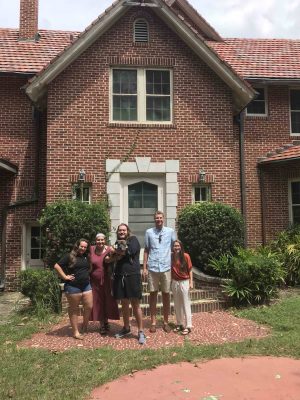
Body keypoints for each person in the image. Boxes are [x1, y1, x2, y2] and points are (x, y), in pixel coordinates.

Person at [109, 223, 146, 345]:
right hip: (120, 276)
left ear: (128, 231)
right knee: (124, 304)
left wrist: (114, 251)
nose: (122, 232)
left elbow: (125, 252)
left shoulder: (133, 240)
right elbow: (113, 257)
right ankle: (126, 328)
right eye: (120, 230)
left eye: (124, 230)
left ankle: (141, 331)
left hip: (132, 276)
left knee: (135, 304)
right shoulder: (117, 242)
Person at [143, 211, 176, 333]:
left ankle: (166, 322)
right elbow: (146, 250)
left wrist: (176, 265)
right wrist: (145, 268)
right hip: (153, 268)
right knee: (153, 294)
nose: (159, 220)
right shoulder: (149, 232)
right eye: (157, 218)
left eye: (160, 218)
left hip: (166, 267)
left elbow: (175, 248)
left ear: (164, 219)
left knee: (166, 294)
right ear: (154, 219)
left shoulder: (170, 232)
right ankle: (153, 322)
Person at [54, 239, 92, 340]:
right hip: (73, 286)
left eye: (85, 247)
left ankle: (84, 325)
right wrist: (65, 277)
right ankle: (75, 332)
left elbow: (89, 268)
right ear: (77, 246)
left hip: (86, 285)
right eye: (81, 246)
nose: (83, 248)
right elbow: (56, 266)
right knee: (74, 309)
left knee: (89, 306)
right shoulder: (69, 256)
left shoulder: (86, 257)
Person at [89, 233, 120, 335]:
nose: (100, 242)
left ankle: (106, 322)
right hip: (95, 281)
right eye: (98, 240)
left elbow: (119, 256)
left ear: (105, 240)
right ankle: (102, 324)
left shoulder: (109, 249)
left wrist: (113, 253)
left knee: (108, 301)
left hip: (108, 280)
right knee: (98, 302)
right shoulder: (91, 249)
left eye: (102, 240)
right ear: (95, 240)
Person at [171, 240, 193, 335]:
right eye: (175, 246)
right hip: (175, 282)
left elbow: (190, 269)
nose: (176, 248)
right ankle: (179, 323)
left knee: (185, 303)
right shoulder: (171, 257)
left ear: (181, 247)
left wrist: (191, 282)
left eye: (178, 246)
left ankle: (188, 326)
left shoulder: (186, 256)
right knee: (177, 304)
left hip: (184, 282)